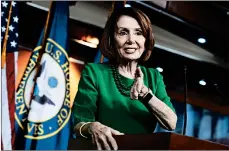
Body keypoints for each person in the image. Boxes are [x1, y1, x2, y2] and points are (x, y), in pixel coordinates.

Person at [73, 7, 177, 150]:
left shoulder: (154, 77)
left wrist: (146, 95)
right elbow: (79, 124)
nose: (131, 40)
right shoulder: (94, 72)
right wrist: (92, 127)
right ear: (112, 39)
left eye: (138, 33)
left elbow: (171, 122)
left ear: (146, 40)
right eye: (123, 32)